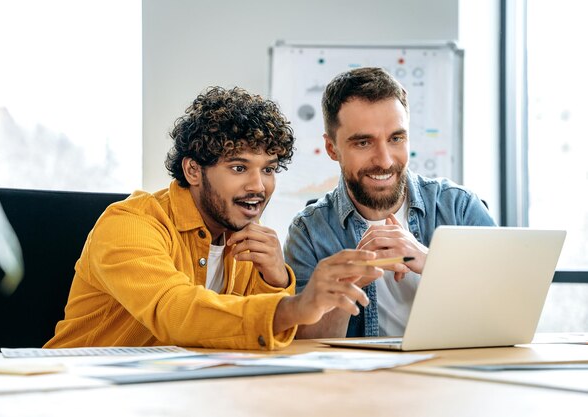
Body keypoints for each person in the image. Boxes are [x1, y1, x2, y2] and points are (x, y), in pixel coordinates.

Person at [45, 86, 383, 351]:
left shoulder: (250, 237)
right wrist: (292, 306)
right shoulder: (129, 224)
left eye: (268, 169)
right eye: (239, 168)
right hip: (76, 390)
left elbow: (250, 340)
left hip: (176, 393)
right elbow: (175, 312)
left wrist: (278, 280)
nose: (258, 186)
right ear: (193, 170)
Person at [284, 67, 496, 339]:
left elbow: (507, 307)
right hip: (363, 380)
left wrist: (430, 261)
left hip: (455, 373)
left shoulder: (459, 206)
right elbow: (307, 345)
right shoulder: (309, 232)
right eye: (363, 143)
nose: (384, 160)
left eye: (396, 138)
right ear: (331, 148)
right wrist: (352, 280)